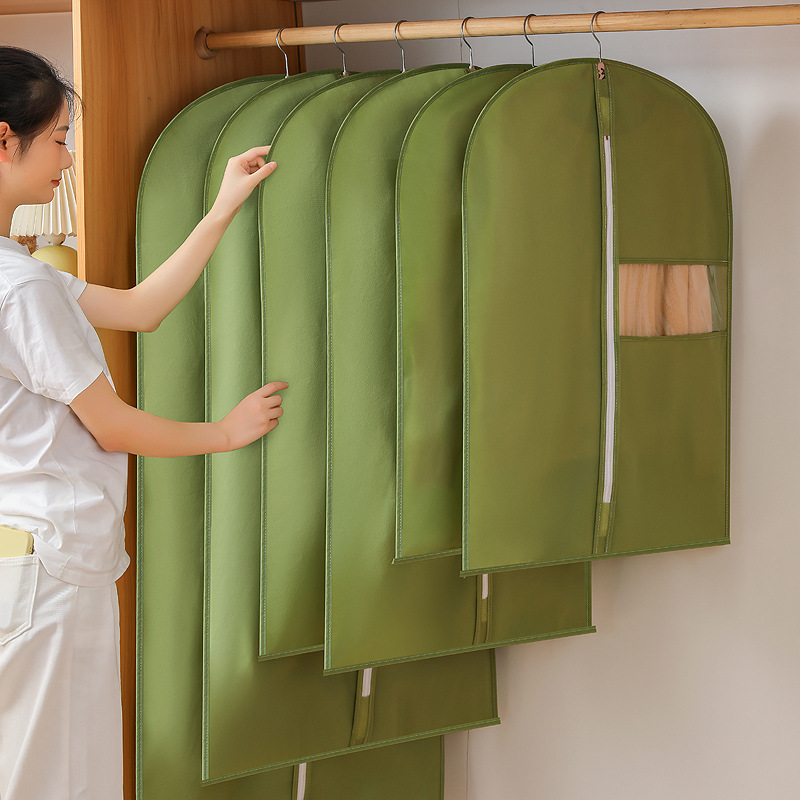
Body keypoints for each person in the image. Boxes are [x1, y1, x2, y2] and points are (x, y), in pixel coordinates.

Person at [0, 46, 285, 800]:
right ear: (4, 140)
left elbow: (139, 309)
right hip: (47, 570)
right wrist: (223, 433)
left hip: (23, 559)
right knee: (57, 782)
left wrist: (222, 207)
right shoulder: (20, 289)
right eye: (59, 138)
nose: (68, 158)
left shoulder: (22, 275)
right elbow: (112, 426)